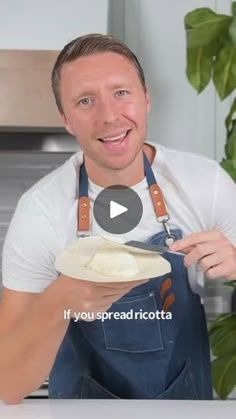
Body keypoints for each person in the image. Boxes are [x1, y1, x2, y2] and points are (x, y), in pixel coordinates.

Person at [0, 33, 236, 404]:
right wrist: (56, 301)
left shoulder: (206, 185)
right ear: (66, 119)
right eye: (85, 101)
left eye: (121, 93)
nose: (109, 116)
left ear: (146, 98)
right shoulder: (40, 213)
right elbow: (8, 384)